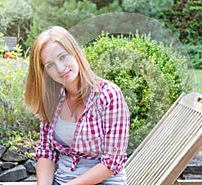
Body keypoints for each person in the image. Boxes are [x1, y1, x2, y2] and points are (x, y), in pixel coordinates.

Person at [25, 26, 130, 185]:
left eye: (63, 57)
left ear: (75, 52)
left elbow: (112, 161)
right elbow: (47, 152)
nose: (60, 68)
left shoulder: (109, 95)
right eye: (50, 65)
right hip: (61, 180)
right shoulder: (52, 100)